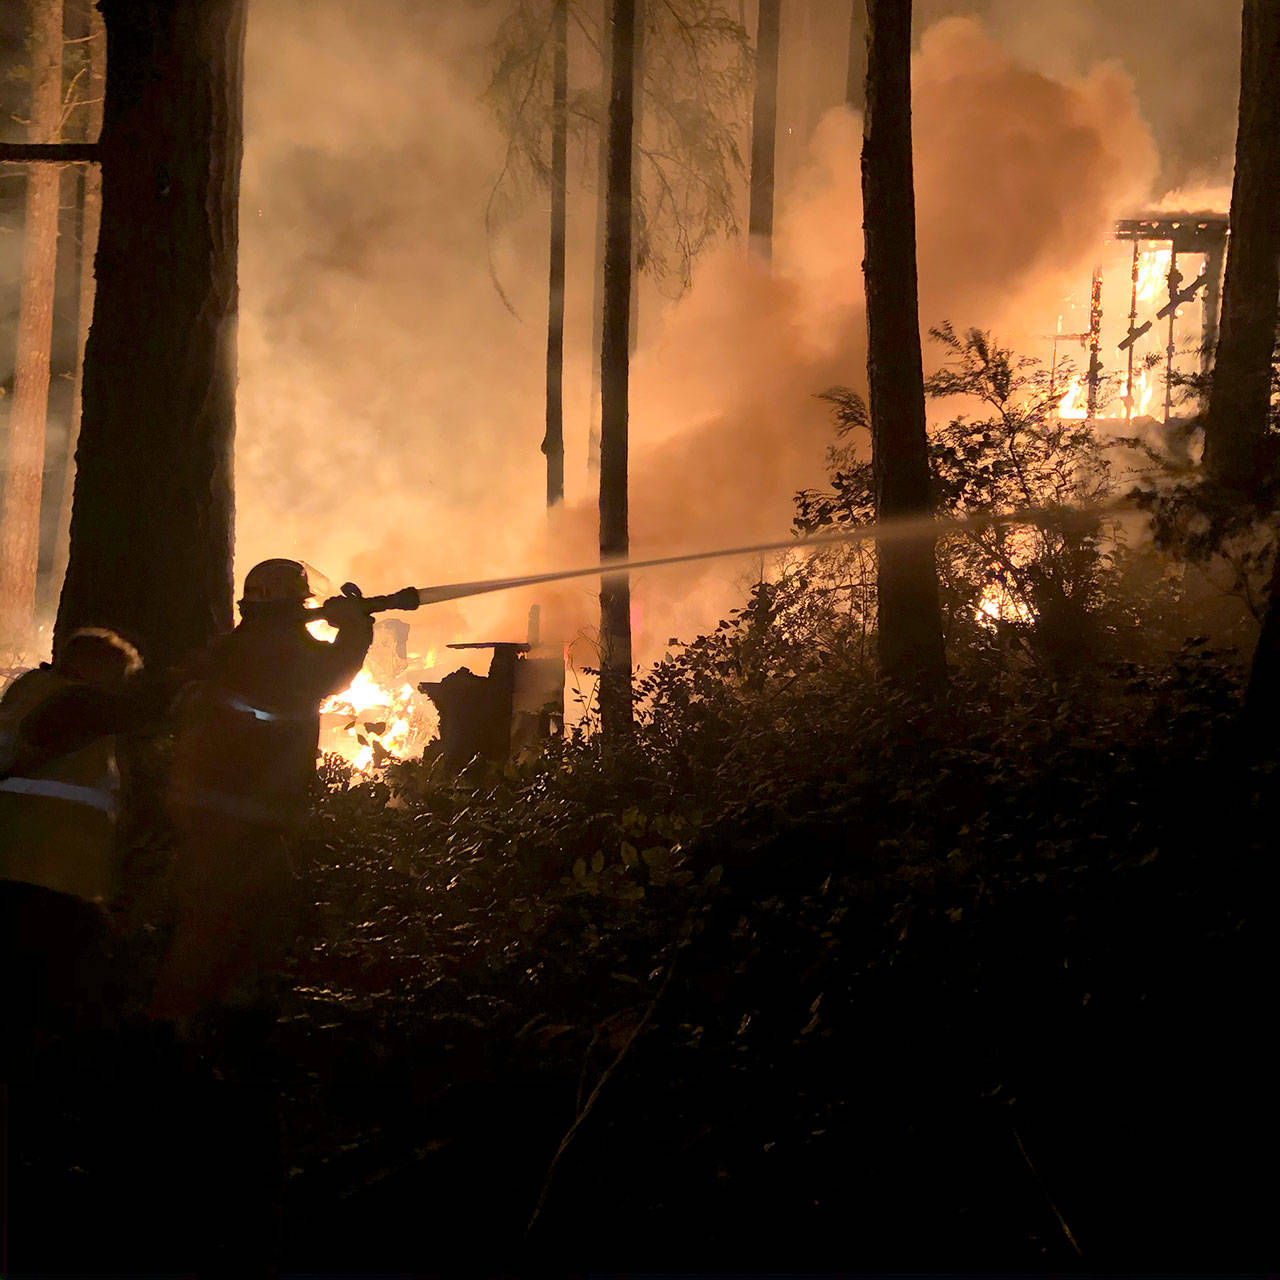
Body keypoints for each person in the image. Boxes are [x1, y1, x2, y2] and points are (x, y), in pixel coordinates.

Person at [150, 558, 374, 1023]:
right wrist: (355, 626)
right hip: (252, 813)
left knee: (208, 919)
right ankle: (200, 1028)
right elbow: (331, 674)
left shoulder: (234, 646)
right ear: (298, 602)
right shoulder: (286, 648)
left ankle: (183, 1024)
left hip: (207, 804)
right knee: (244, 923)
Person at [0, 628, 154, 1068]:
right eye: (118, 676)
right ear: (95, 669)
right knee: (51, 1002)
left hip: (26, 868)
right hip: (52, 877)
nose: (119, 687)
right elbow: (138, 710)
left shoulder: (31, 694)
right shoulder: (72, 702)